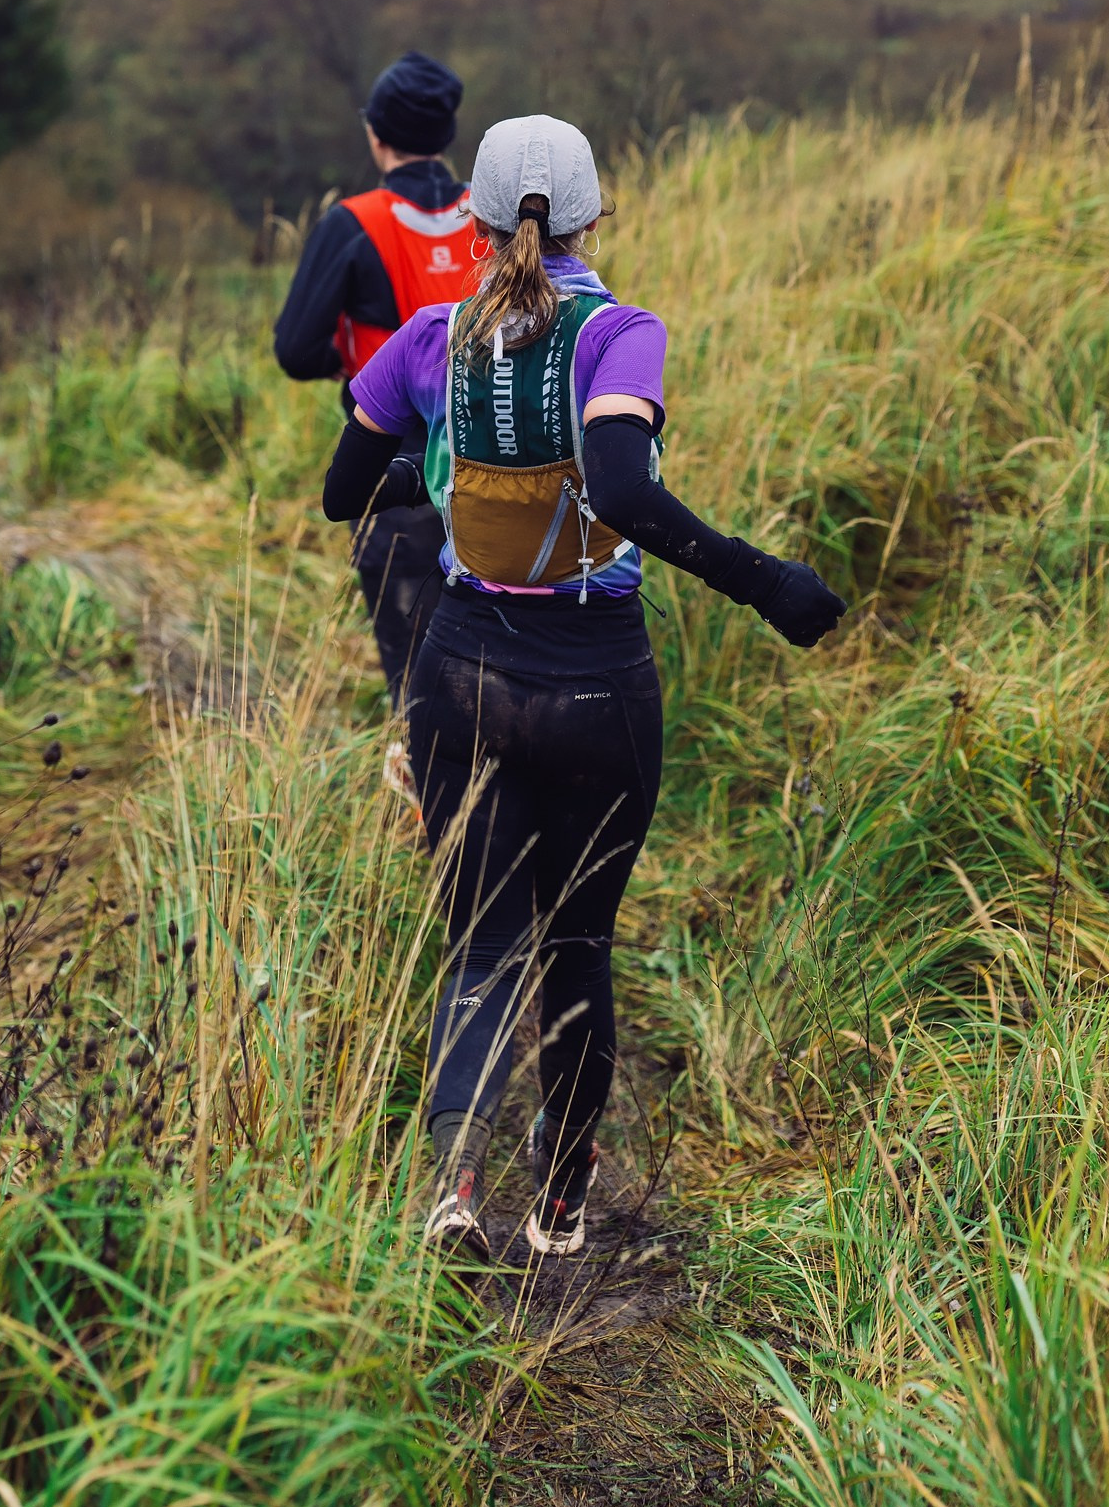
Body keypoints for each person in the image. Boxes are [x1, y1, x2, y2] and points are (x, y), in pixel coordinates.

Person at [321, 113, 845, 1259]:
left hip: (457, 675)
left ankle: (453, 1189)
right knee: (574, 945)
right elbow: (619, 484)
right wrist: (769, 587)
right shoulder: (622, 335)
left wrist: (450, 461)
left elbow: (343, 487)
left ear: (473, 217)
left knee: (479, 945)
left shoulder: (425, 336)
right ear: (596, 215)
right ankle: (560, 1198)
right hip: (597, 684)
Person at [274, 51, 470, 699]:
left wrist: (355, 361)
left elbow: (296, 350)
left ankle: (431, 798)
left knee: (419, 682)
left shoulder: (352, 222)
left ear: (376, 133)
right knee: (493, 661)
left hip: (394, 480)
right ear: (446, 136)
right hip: (500, 469)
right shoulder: (493, 217)